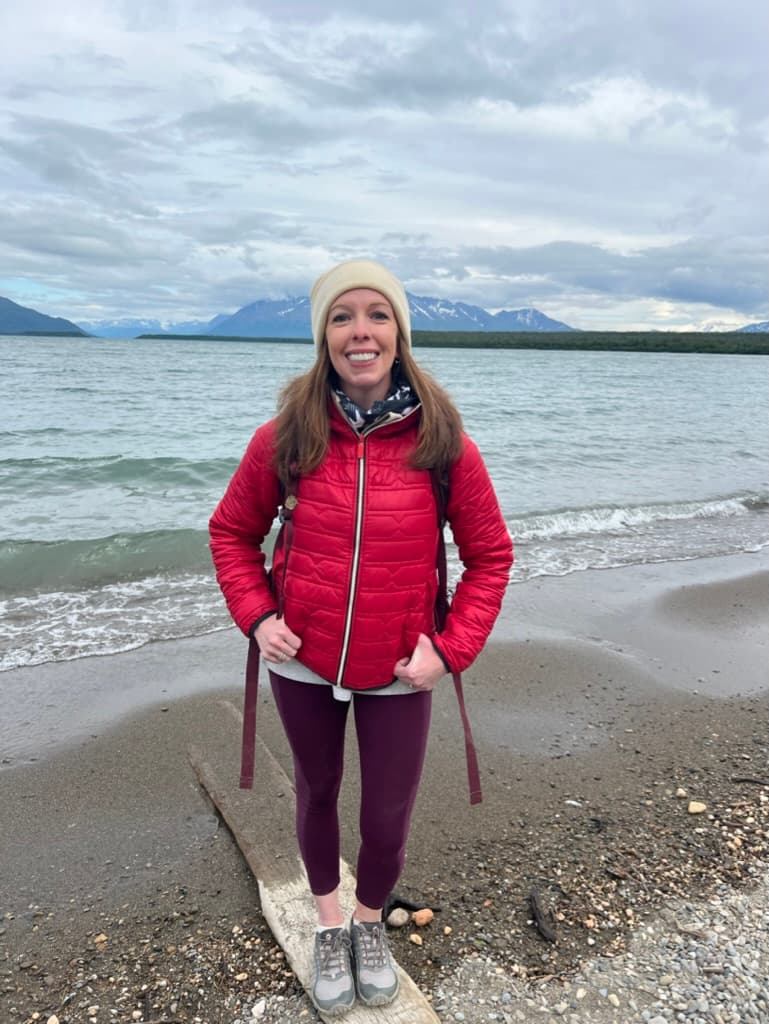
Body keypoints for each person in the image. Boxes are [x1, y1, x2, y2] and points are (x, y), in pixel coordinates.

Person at [209, 258, 513, 1015]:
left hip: (400, 667)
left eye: (376, 314)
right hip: (303, 663)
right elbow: (230, 535)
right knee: (316, 794)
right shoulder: (281, 439)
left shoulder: (444, 443)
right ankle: (329, 924)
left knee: (385, 813)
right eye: (342, 317)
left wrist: (447, 649)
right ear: (324, 338)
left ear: (398, 333)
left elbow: (491, 556)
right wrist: (258, 616)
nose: (360, 331)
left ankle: (370, 923)